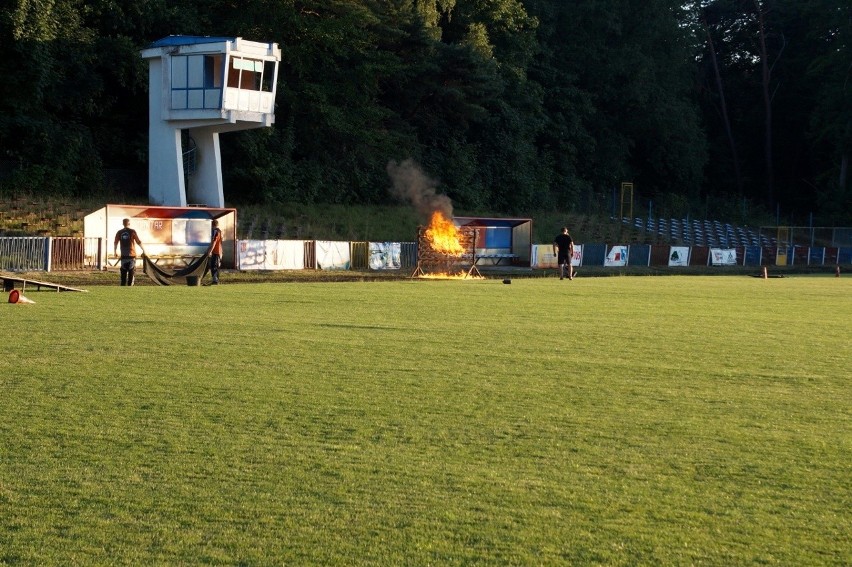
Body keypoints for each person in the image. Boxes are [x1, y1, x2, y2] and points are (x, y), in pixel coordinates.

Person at [113, 218, 144, 286]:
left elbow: (115, 242)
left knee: (123, 275)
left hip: (123, 256)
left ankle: (123, 290)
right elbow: (138, 241)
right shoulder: (132, 231)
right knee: (131, 273)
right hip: (131, 256)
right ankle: (130, 288)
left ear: (123, 224)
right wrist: (143, 250)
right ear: (129, 223)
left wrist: (115, 252)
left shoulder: (119, 232)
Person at [209, 219, 223, 285]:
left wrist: (210, 251)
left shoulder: (215, 231)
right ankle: (216, 280)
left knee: (214, 266)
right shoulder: (220, 231)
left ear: (212, 225)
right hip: (219, 251)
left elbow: (214, 242)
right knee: (216, 266)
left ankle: (215, 280)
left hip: (216, 251)